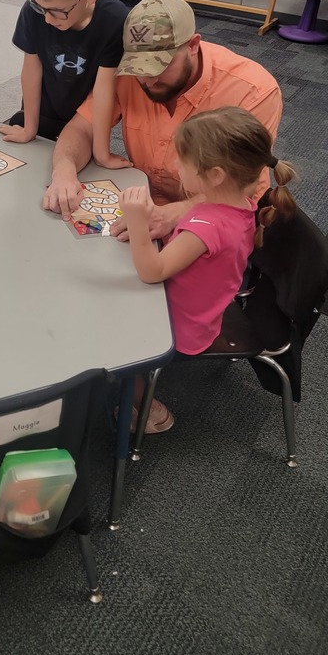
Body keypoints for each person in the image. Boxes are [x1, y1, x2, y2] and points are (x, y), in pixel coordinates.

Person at [43, 0, 282, 241]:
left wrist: (175, 213)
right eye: (138, 67)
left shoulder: (253, 91)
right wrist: (64, 169)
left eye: (159, 66)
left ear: (192, 45)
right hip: (141, 209)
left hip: (211, 226)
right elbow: (82, 127)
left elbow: (243, 187)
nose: (147, 80)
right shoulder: (125, 75)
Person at [119, 106, 297, 431]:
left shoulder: (207, 225)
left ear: (214, 175)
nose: (175, 166)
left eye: (182, 160)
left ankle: (151, 411)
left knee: (115, 348)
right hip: (202, 310)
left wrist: (136, 219)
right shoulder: (239, 206)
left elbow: (152, 271)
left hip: (181, 327)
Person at [0, 0, 129, 165]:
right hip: (45, 109)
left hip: (84, 120)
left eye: (58, 11)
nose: (48, 19)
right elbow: (31, 70)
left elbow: (104, 90)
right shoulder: (32, 12)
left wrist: (102, 154)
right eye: (41, 7)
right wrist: (29, 128)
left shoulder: (115, 20)